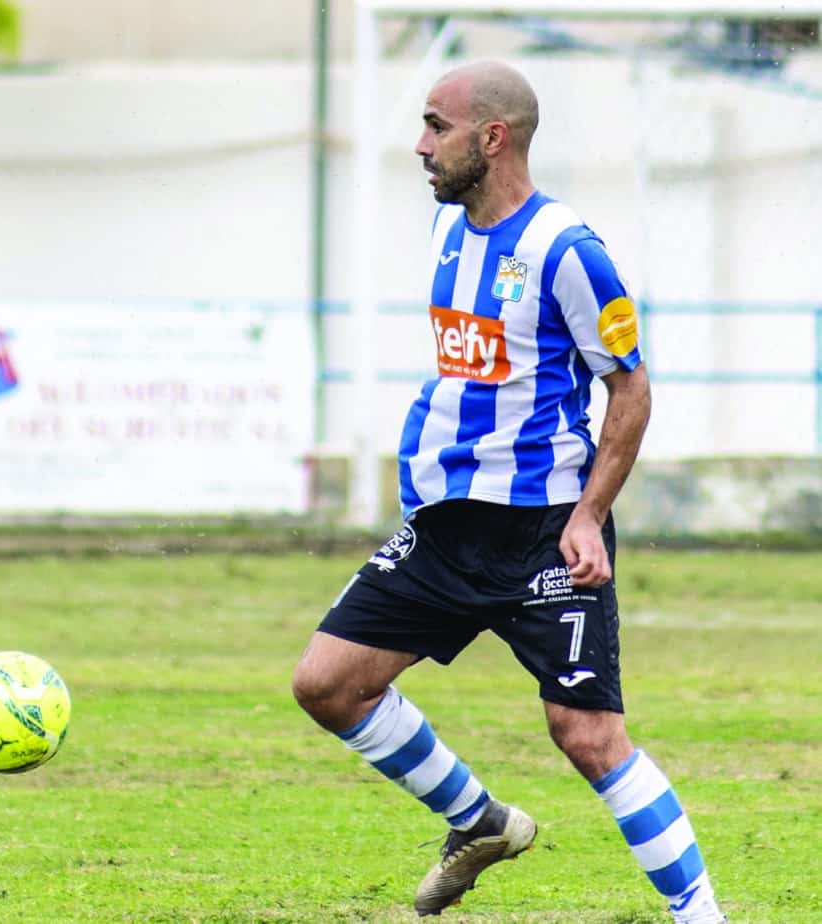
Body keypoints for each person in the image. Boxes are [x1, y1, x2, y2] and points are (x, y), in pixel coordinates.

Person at [292, 61, 726, 923]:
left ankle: (702, 917)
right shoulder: (449, 233)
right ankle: (479, 821)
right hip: (446, 530)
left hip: (541, 538)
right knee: (327, 683)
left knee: (589, 736)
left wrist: (591, 516)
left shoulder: (570, 251)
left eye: (435, 126)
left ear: (492, 138)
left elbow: (630, 390)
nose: (420, 145)